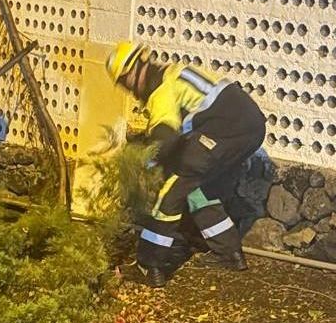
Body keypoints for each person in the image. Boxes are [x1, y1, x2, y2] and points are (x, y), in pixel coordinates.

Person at [106, 41, 266, 287]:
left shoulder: (161, 89)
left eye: (125, 83)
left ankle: (149, 266)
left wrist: (144, 161)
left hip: (224, 130)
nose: (128, 90)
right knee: (198, 190)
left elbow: (166, 137)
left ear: (135, 70)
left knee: (170, 191)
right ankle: (229, 254)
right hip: (250, 128)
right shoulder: (175, 72)